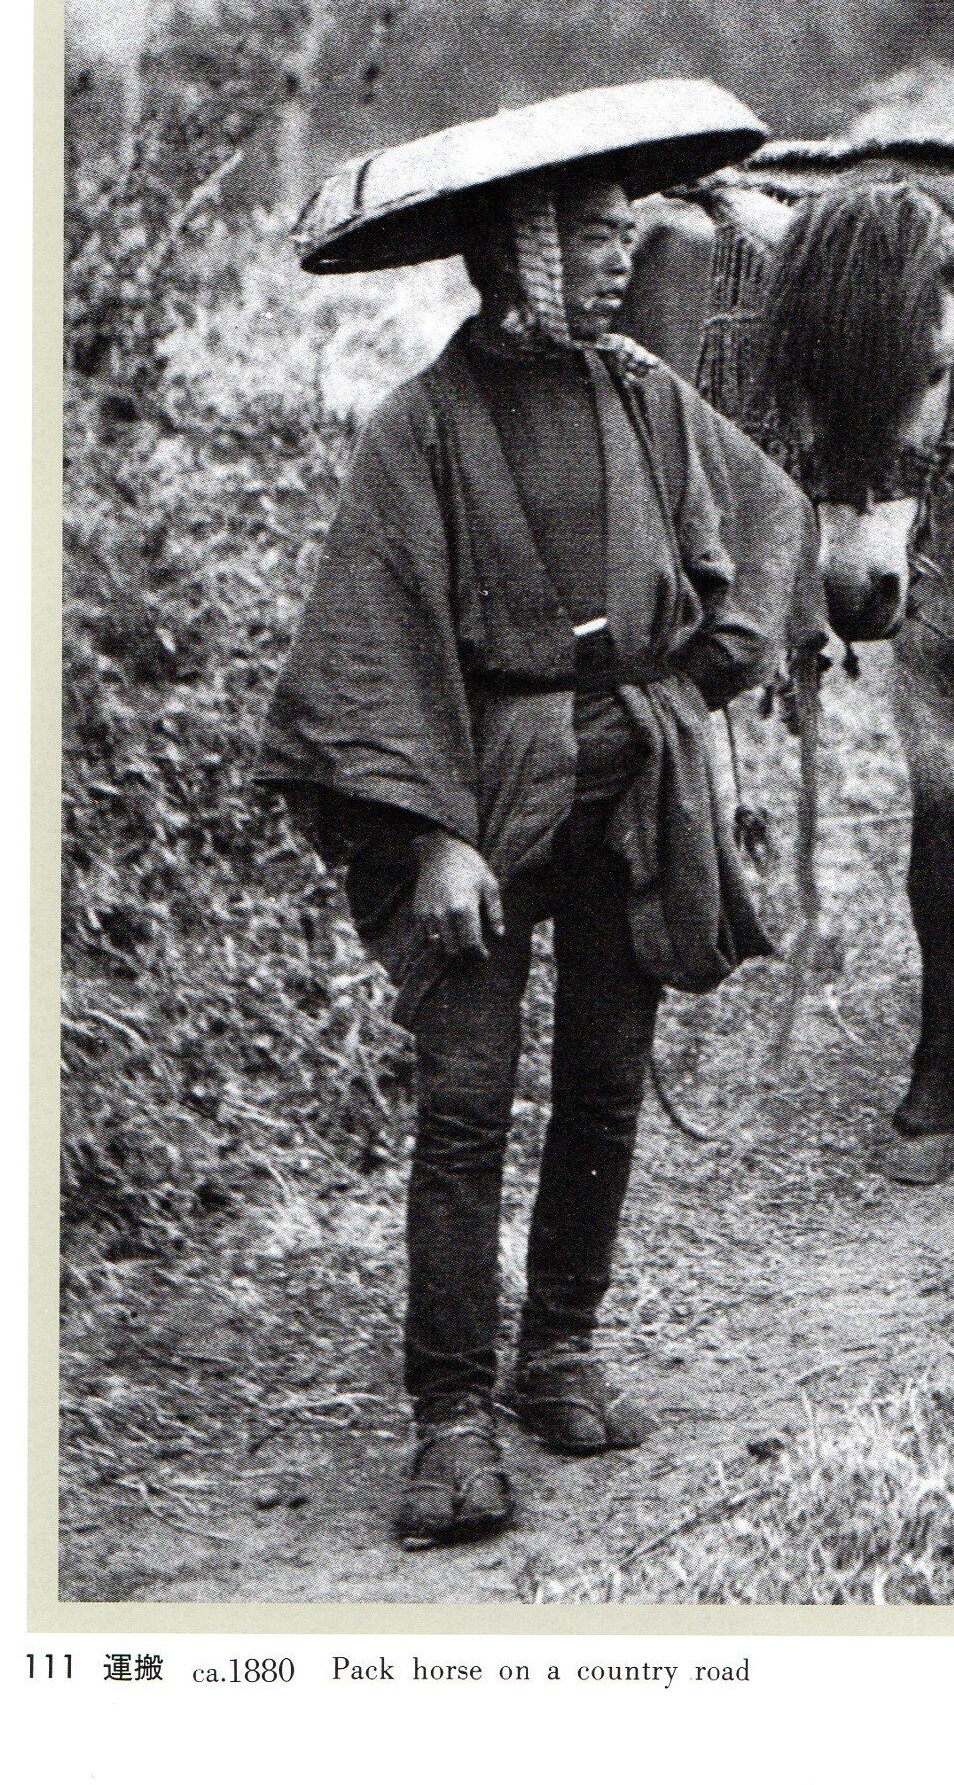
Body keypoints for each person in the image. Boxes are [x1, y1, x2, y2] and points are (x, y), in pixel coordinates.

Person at [260, 166, 816, 1549]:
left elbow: (768, 516)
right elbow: (369, 646)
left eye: (626, 230)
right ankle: (450, 1417)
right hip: (485, 788)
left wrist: (701, 680)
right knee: (465, 1105)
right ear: (516, 246)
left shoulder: (641, 395)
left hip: (632, 786)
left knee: (606, 1081)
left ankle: (557, 1351)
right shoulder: (420, 427)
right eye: (590, 232)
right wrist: (433, 837)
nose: (618, 253)